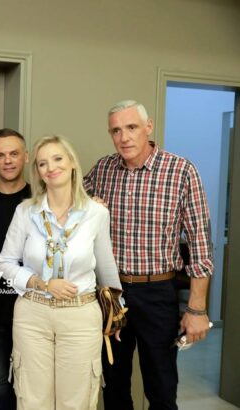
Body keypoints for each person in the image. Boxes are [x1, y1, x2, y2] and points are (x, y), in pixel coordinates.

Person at [84, 100, 213, 410]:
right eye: (116, 130)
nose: (124, 137)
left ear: (148, 127)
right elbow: (66, 196)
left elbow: (201, 245)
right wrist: (10, 187)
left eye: (131, 127)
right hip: (111, 292)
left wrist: (197, 309)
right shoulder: (102, 169)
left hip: (157, 292)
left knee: (161, 387)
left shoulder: (181, 171)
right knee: (113, 383)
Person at [0, 134, 122, 410]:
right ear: (38, 171)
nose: (51, 167)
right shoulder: (25, 211)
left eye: (57, 159)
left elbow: (106, 266)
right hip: (32, 315)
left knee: (76, 402)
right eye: (42, 163)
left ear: (72, 163)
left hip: (80, 316)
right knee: (33, 401)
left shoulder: (96, 213)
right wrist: (41, 283)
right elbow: (5, 263)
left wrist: (116, 314)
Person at [0, 128, 31, 410]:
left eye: (14, 153)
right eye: (1, 155)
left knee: (33, 383)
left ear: (26, 156)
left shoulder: (41, 198)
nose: (8, 160)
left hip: (35, 308)